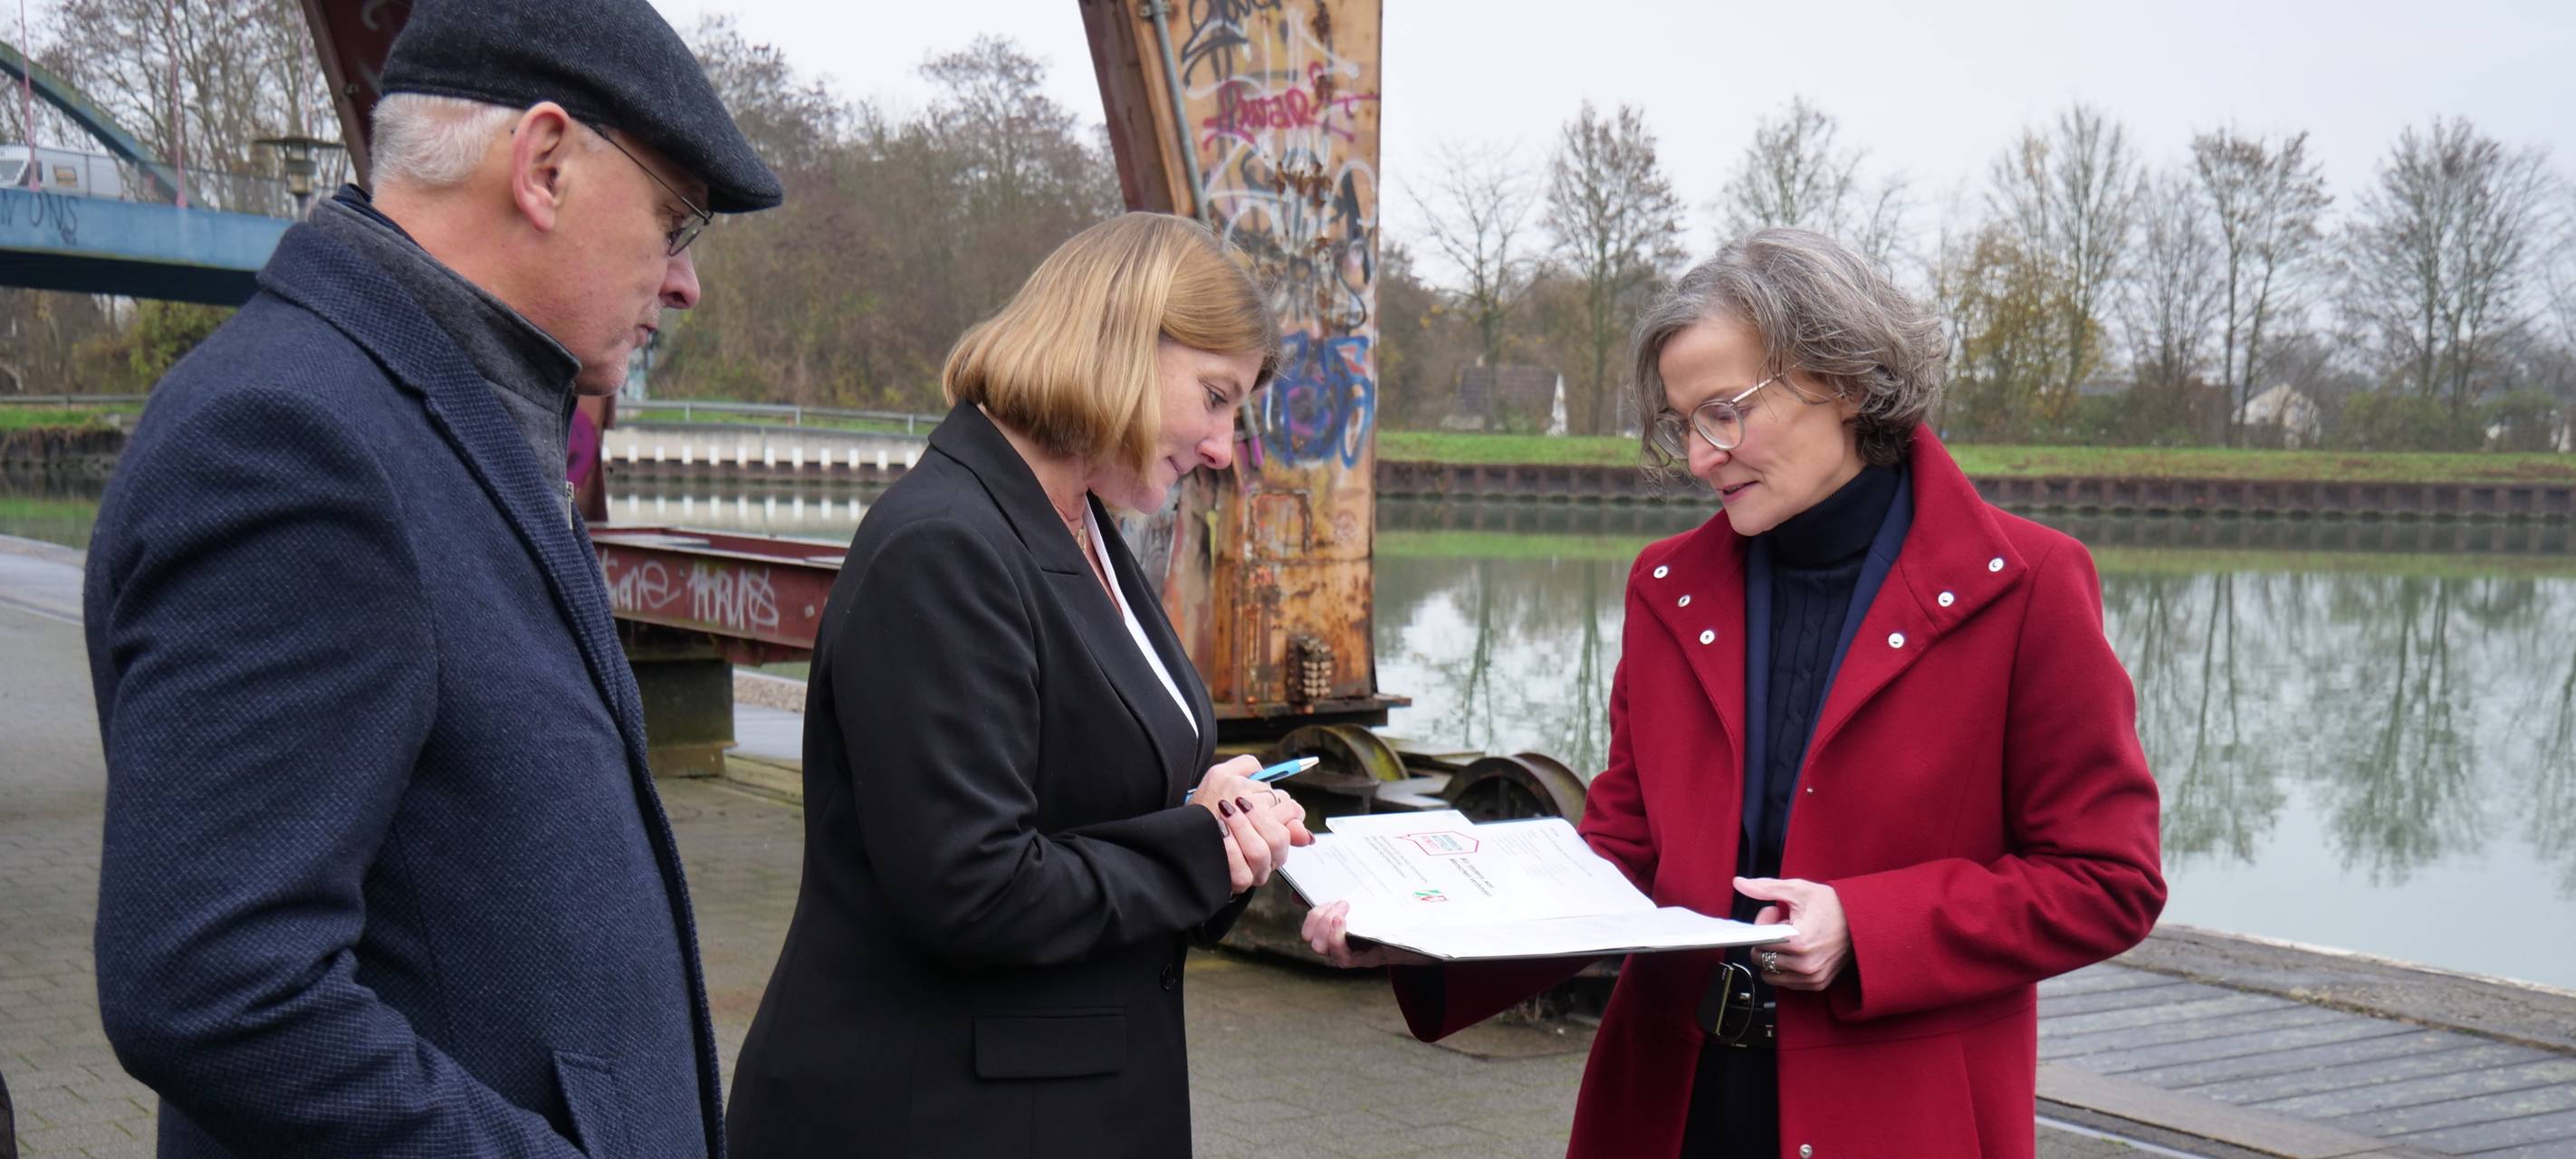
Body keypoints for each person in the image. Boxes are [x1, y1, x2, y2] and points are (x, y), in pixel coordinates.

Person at [80, 0, 781, 1153]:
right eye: (674, 221)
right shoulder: (292, 439)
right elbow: (214, 984)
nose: (684, 282)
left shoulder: (424, 403)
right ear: (545, 165)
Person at [1304, 228, 2167, 1159]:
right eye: (1682, 423)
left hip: (1895, 1116)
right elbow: (1624, 850)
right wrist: (1427, 931)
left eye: (1724, 411)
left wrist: (1866, 929)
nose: (1700, 455)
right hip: (1671, 1104)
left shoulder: (2027, 582)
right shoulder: (1665, 586)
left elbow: (2107, 878)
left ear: (1839, 378)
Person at [726, 212, 1312, 1158]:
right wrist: (1195, 848)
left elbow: (1085, 805)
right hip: (934, 1113)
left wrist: (1221, 824)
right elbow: (972, 884)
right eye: (1214, 395)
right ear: (1118, 339)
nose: (1221, 446)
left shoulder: (1072, 523)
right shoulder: (946, 544)